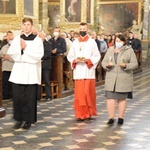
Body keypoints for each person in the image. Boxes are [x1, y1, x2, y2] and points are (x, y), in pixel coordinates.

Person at [7, 18, 44, 130]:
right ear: (22, 26)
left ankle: (28, 120)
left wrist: (25, 48)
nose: (26, 27)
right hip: (18, 71)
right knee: (18, 97)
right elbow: (12, 54)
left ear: (32, 26)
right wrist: (21, 52)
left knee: (29, 97)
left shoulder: (37, 40)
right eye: (25, 25)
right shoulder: (17, 39)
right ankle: (19, 119)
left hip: (31, 71)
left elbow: (38, 56)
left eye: (28, 25)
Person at [102, 34, 138, 125]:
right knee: (110, 98)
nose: (118, 43)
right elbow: (103, 62)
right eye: (116, 41)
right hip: (111, 78)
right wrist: (107, 65)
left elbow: (135, 64)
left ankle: (120, 117)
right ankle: (111, 118)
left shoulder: (129, 51)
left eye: (119, 41)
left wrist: (126, 65)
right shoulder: (110, 50)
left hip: (123, 78)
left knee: (121, 98)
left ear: (124, 42)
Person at [67, 22, 100, 121]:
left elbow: (97, 56)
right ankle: (80, 114)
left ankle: (88, 113)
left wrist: (88, 61)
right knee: (80, 94)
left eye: (84, 29)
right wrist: (74, 60)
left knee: (87, 93)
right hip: (78, 72)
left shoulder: (92, 42)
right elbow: (70, 56)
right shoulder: (75, 42)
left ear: (87, 30)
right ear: (79, 29)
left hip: (88, 71)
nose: (82, 30)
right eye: (80, 29)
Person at [38, 30, 52, 101]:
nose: (39, 37)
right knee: (38, 81)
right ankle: (37, 96)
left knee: (46, 81)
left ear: (44, 36)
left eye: (40, 36)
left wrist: (41, 58)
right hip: (38, 64)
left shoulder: (48, 44)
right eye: (38, 36)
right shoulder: (36, 44)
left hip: (46, 65)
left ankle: (48, 96)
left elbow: (48, 54)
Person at [0, 31, 14, 100]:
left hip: (12, 67)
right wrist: (3, 57)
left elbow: (16, 57)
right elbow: (1, 55)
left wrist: (9, 58)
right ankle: (5, 95)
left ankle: (11, 95)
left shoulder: (15, 46)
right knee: (4, 82)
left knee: (12, 83)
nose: (9, 37)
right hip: (5, 68)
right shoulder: (4, 47)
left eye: (11, 35)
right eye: (8, 35)